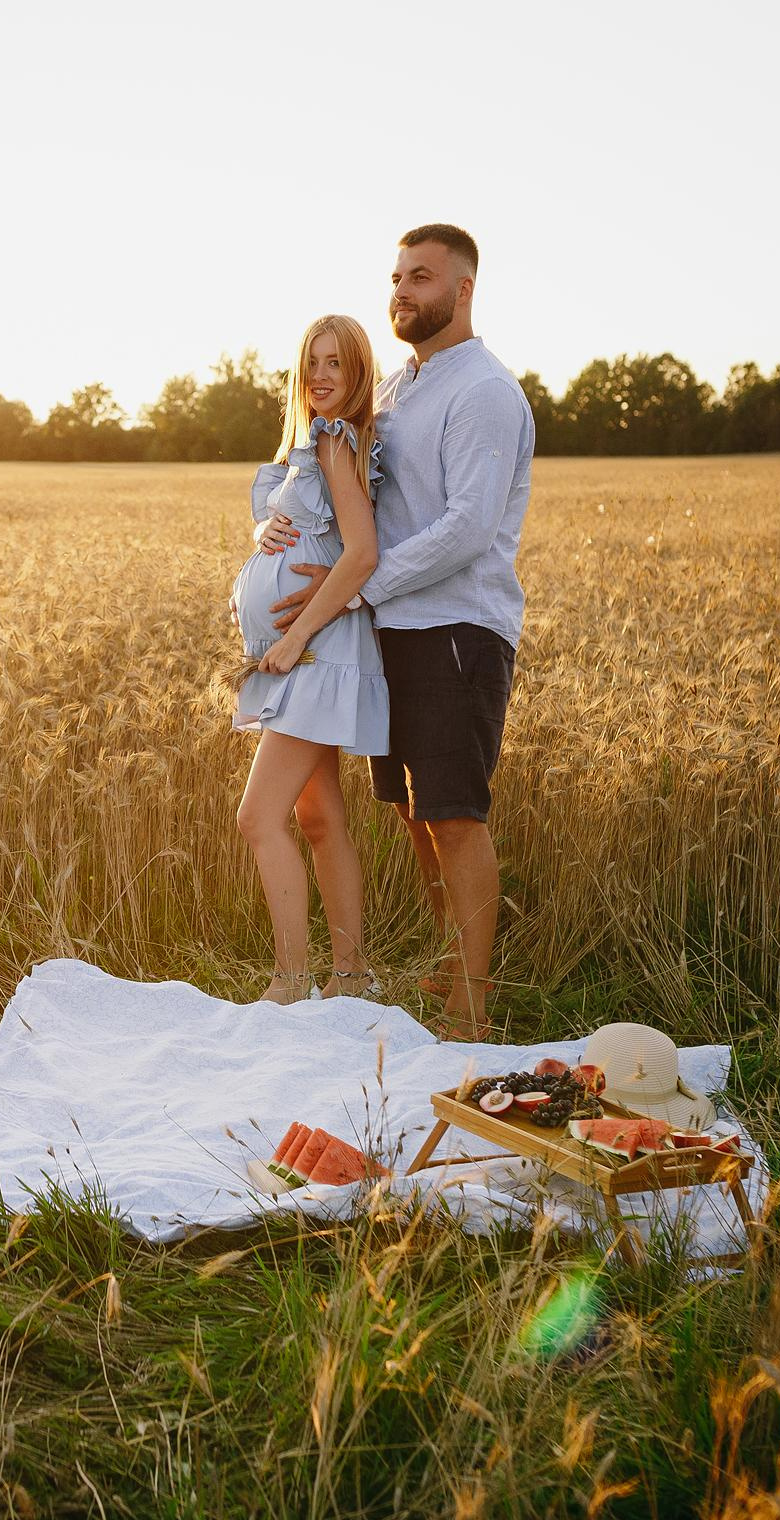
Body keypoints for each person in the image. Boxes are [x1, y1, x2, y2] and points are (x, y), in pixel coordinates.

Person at [258, 225, 534, 1039]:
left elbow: (468, 528)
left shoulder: (482, 390)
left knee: (454, 814)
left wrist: (352, 592)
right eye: (397, 278)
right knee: (416, 813)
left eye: (423, 277)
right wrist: (271, 533)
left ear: (464, 289)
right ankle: (450, 978)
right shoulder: (406, 388)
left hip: (458, 628)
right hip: (395, 630)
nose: (404, 292)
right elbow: (328, 482)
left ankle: (470, 1015)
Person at [229, 314, 390, 1005]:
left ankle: (291, 981)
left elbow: (362, 553)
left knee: (258, 818)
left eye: (336, 363)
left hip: (316, 657)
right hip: (306, 658)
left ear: (358, 374)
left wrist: (293, 640)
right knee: (320, 818)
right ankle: (350, 975)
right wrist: (267, 527)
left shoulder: (333, 442)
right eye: (312, 363)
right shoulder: (310, 446)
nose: (321, 376)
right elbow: (291, 522)